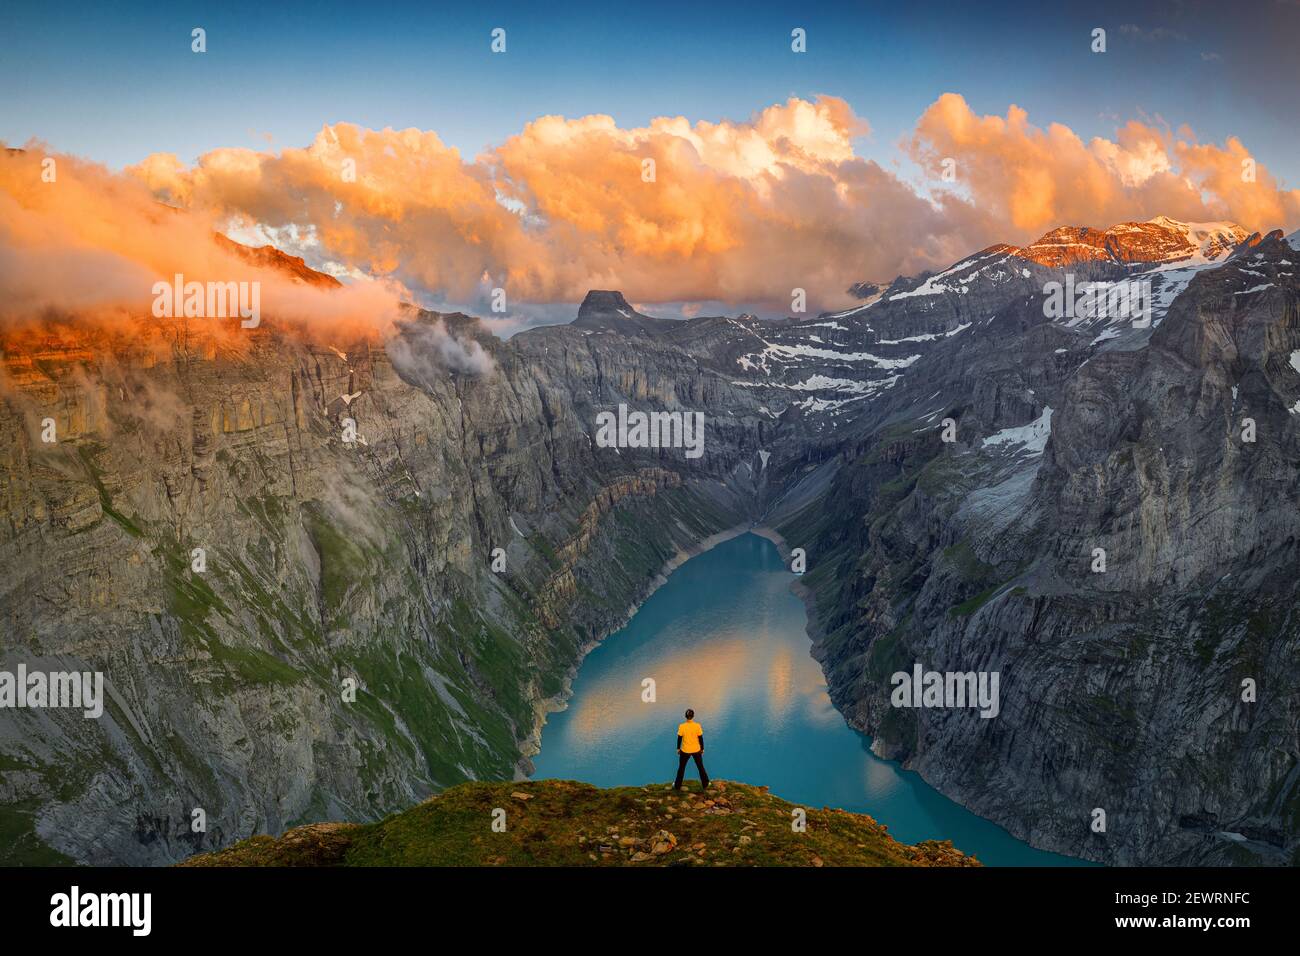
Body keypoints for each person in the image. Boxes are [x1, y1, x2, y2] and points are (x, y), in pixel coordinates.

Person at [673, 708, 710, 791]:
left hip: (685, 750)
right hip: (696, 750)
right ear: (693, 716)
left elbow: (679, 738)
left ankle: (677, 786)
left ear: (685, 716)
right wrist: (702, 748)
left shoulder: (682, 726)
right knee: (700, 767)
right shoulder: (697, 725)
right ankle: (706, 784)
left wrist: (678, 748)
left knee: (681, 768)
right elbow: (701, 738)